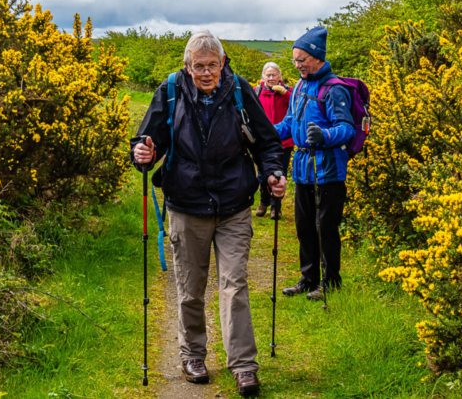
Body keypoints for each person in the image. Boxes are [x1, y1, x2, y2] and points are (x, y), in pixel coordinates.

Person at [130, 30, 286, 395]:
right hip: (186, 205)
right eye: (198, 66)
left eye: (211, 65)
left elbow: (267, 141)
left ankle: (244, 366)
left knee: (235, 284)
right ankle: (192, 354)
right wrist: (142, 153)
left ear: (223, 63)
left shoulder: (239, 90)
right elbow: (146, 142)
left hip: (233, 204)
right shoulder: (170, 92)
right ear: (187, 66)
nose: (205, 73)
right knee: (190, 288)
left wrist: (274, 173)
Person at [274, 26, 355, 301]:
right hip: (303, 170)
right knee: (304, 227)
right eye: (295, 60)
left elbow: (347, 128)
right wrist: (265, 132)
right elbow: (289, 124)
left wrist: (326, 135)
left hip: (329, 170)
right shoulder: (298, 86)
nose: (297, 65)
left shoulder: (334, 90)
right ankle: (308, 280)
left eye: (302, 60)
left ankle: (330, 282)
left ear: (317, 57)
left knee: (326, 229)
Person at [254, 62, 294, 219]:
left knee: (280, 173)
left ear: (279, 76)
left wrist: (284, 93)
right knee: (263, 173)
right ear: (263, 77)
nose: (271, 78)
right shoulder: (256, 92)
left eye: (274, 75)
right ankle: (264, 201)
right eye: (268, 75)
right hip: (262, 142)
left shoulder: (289, 91)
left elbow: (298, 107)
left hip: (284, 141)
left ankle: (276, 206)